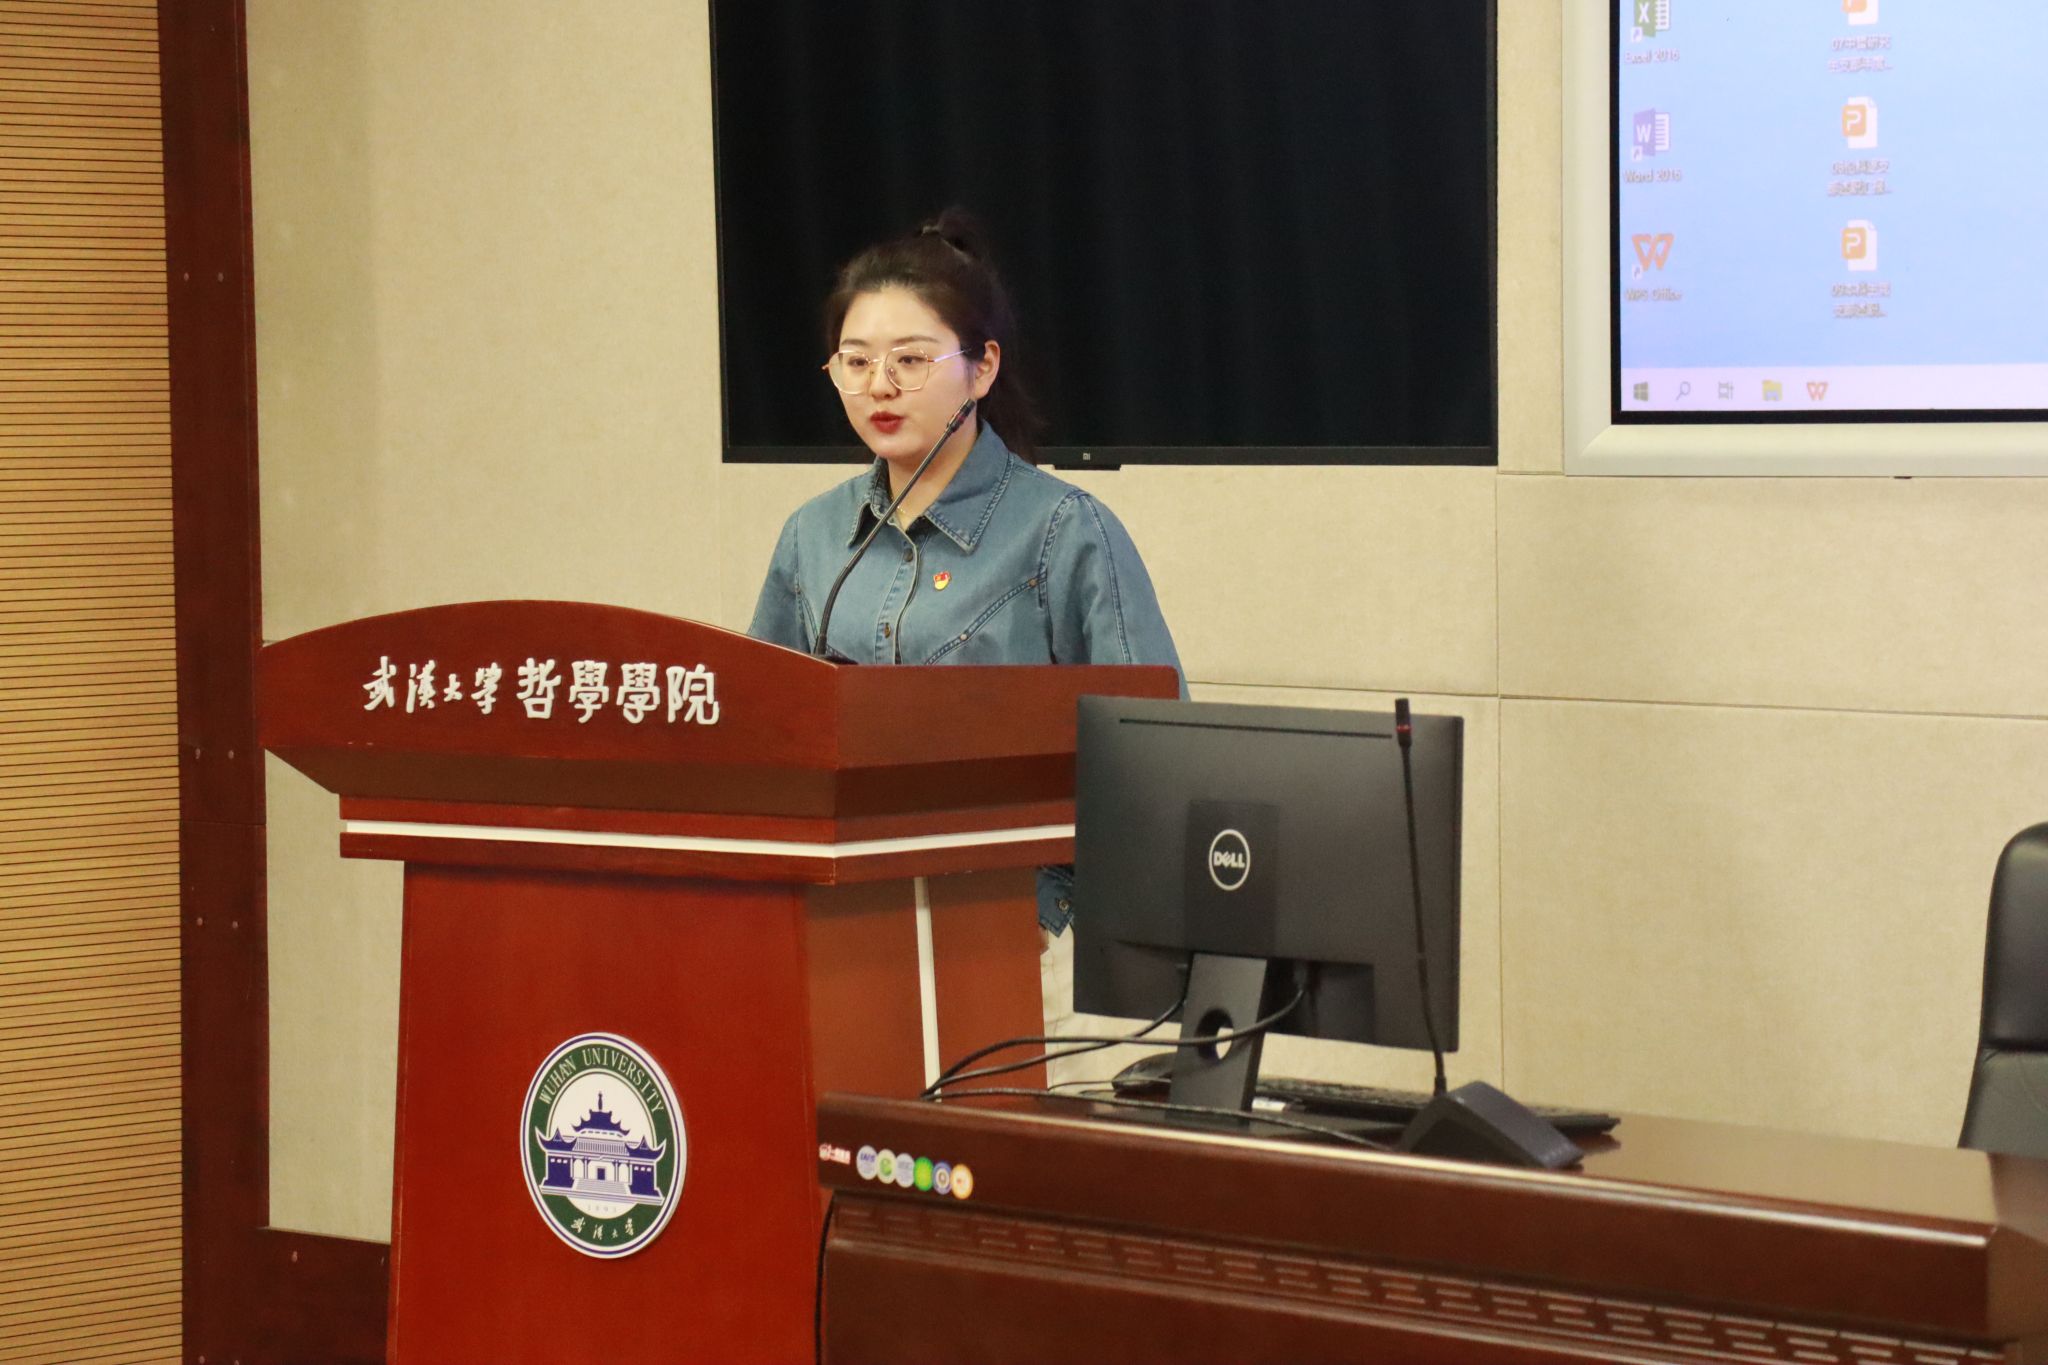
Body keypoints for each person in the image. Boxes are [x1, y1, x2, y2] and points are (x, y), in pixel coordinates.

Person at [747, 209, 1184, 941]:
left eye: (911, 361)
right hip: (842, 926)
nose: (880, 386)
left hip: (1018, 933)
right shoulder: (811, 536)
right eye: (856, 362)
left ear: (982, 368)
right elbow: (764, 741)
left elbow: (1155, 760)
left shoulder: (1063, 531)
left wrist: (1054, 914)